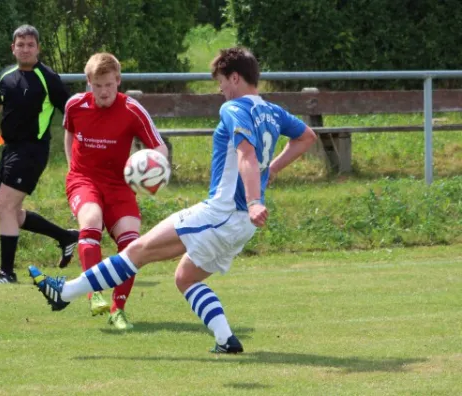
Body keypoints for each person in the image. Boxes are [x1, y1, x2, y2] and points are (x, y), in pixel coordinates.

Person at [27, 47, 317, 352]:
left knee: (137, 249)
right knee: (185, 277)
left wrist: (255, 197)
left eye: (221, 81)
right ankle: (225, 339)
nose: (219, 88)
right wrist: (268, 171)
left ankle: (66, 292)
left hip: (220, 212)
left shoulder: (233, 109)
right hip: (242, 225)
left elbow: (245, 154)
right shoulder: (271, 111)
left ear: (235, 77)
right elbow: (306, 136)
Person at [62, 52, 168, 329]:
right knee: (92, 221)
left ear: (118, 81)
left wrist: (152, 168)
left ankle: (117, 310)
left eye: (109, 84)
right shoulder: (75, 105)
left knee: (132, 243)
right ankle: (94, 293)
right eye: (97, 85)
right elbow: (70, 133)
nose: (104, 91)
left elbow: (159, 147)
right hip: (84, 179)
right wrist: (72, 168)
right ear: (89, 82)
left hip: (120, 185)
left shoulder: (132, 109)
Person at [0, 25, 79, 284]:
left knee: (4, 207)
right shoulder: (6, 75)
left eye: (30, 45)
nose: (25, 49)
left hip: (32, 151)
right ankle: (65, 236)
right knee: (13, 213)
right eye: (20, 45)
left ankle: (6, 273)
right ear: (13, 48)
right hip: (8, 149)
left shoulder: (48, 77)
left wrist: (81, 144)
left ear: (38, 48)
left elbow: (71, 112)